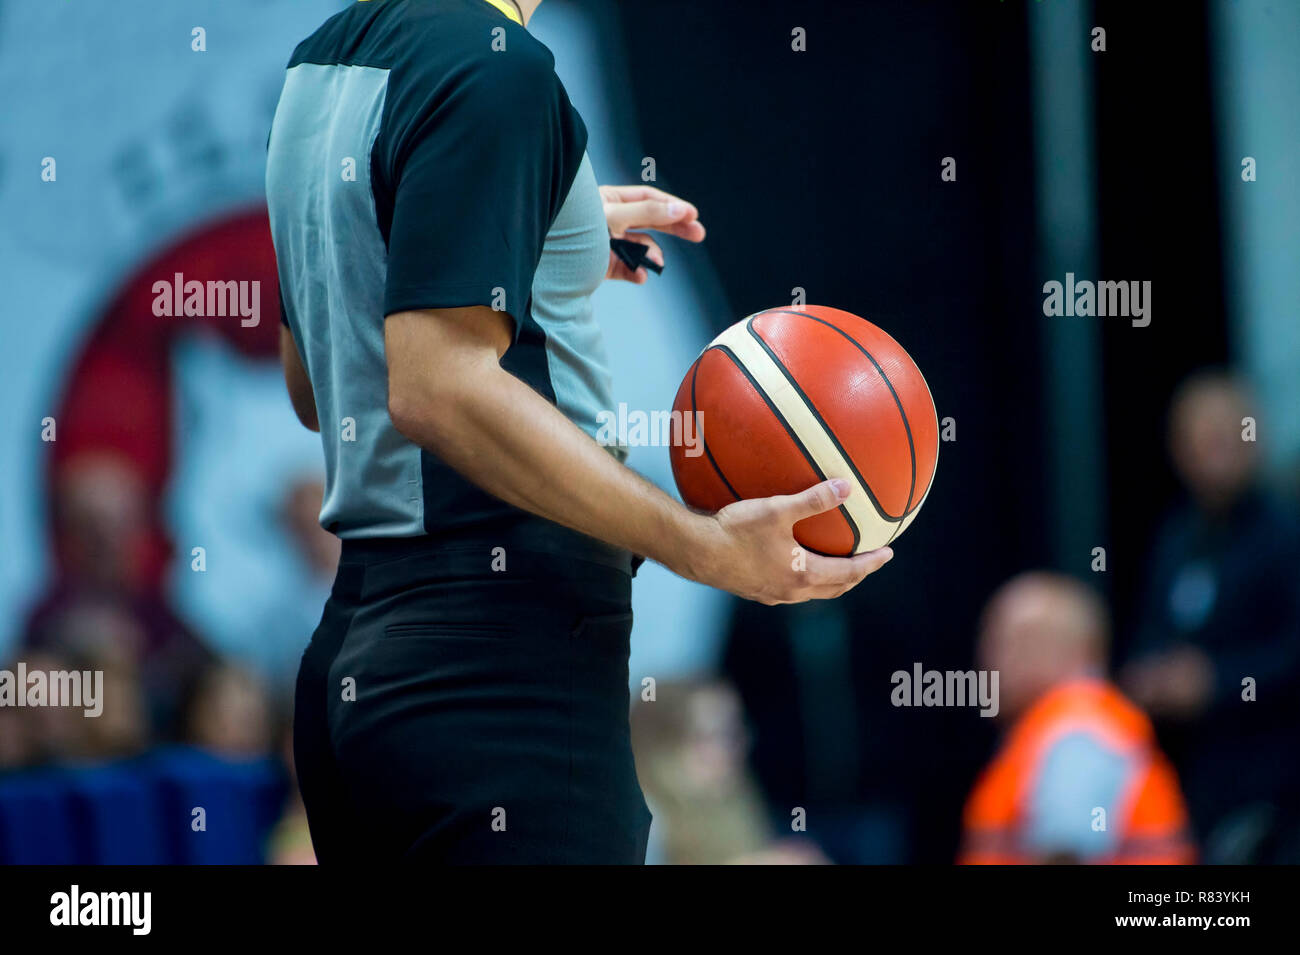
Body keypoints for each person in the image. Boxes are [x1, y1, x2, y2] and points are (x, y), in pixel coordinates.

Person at [266, 0, 892, 864]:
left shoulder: (320, 65)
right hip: (502, 673)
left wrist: (517, 228)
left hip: (361, 664)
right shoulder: (498, 68)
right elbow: (438, 389)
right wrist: (700, 545)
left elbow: (315, 383)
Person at [1121, 372, 1300, 861]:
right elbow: (1151, 633)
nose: (1212, 451)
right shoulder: (1176, 538)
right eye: (1199, 439)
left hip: (1279, 787)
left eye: (1226, 435)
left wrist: (1215, 682)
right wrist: (1152, 677)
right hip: (1196, 782)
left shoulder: (1286, 534)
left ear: (1253, 436)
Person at [960, 573, 1194, 865]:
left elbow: (1066, 852)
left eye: (1020, 641)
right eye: (993, 640)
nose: (995, 658)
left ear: (1080, 650)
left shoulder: (1077, 728)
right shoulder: (1058, 725)